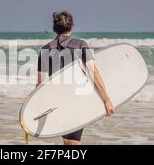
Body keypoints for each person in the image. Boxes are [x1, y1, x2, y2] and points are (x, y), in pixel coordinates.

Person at [36, 11, 115, 145]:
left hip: (56, 103)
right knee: (72, 143)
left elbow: (39, 85)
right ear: (71, 26)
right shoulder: (80, 45)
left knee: (68, 142)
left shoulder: (45, 50)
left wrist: (38, 108)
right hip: (75, 101)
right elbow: (93, 72)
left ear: (55, 29)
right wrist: (106, 99)